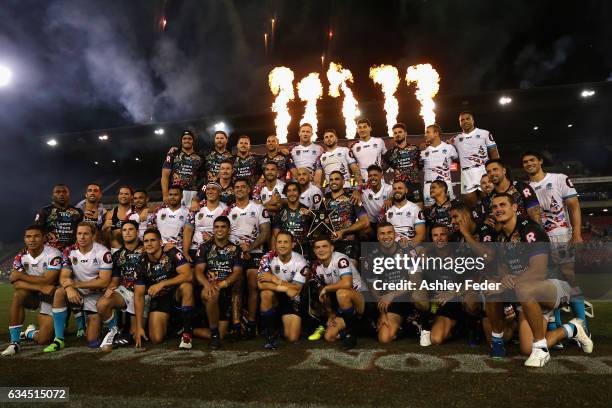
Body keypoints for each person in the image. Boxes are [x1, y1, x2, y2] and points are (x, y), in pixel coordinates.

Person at [484, 193, 592, 367]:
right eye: (494, 207)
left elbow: (539, 270)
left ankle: (541, 350)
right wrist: (504, 278)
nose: (498, 209)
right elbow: (503, 266)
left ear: (514, 208)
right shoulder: (501, 236)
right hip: (525, 290)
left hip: (551, 284)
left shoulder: (529, 229)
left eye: (502, 205)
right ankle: (572, 329)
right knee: (526, 348)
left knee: (524, 289)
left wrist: (511, 282)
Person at [522, 151, 588, 333]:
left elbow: (574, 206)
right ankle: (554, 326)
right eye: (525, 162)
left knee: (568, 275)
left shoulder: (560, 178)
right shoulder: (525, 188)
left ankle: (582, 323)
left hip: (561, 235)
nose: (529, 164)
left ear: (540, 161)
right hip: (541, 240)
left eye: (532, 160)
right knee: (549, 280)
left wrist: (576, 234)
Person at [44, 222, 113, 352]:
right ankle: (59, 339)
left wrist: (75, 284)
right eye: (79, 233)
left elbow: (103, 282)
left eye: (86, 234)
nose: (82, 237)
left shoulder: (103, 252)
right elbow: (64, 277)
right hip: (77, 291)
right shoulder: (69, 251)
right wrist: (69, 289)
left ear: (93, 236)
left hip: (96, 294)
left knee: (92, 341)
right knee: (60, 292)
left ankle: (98, 323)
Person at [362, 222, 429, 345]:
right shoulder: (371, 258)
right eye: (382, 233)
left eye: (389, 232)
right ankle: (406, 325)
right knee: (384, 338)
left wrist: (393, 294)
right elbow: (374, 290)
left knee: (419, 296)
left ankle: (424, 323)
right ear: (377, 236)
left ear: (395, 234)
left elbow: (416, 282)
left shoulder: (408, 251)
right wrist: (382, 312)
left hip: (408, 295)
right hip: (389, 301)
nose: (386, 236)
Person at [2, 225, 61, 356]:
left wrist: (21, 276)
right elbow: (16, 284)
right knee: (18, 295)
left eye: (36, 236)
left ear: (44, 238)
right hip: (34, 294)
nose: (32, 240)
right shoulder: (20, 256)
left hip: (51, 297)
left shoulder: (53, 254)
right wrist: (40, 287)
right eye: (28, 236)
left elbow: (48, 280)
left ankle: (29, 333)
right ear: (24, 239)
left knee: (44, 339)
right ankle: (15, 342)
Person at [133, 228, 194, 349]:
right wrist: (139, 327)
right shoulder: (141, 262)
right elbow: (138, 295)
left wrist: (163, 283)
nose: (149, 244)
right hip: (160, 298)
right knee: (156, 339)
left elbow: (189, 275)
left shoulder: (172, 252)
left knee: (187, 286)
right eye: (146, 241)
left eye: (152, 240)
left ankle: (187, 333)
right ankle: (176, 326)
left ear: (160, 242)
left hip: (176, 293)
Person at [227, 178, 271, 338]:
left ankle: (252, 323)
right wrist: (239, 249)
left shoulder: (259, 208)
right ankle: (237, 325)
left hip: (255, 252)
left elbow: (265, 232)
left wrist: (250, 247)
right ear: (233, 190)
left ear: (249, 189)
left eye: (243, 187)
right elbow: (222, 233)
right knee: (236, 286)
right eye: (236, 187)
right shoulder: (227, 210)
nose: (239, 189)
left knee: (253, 285)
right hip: (234, 253)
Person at [194, 216, 243, 349]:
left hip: (227, 291)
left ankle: (190, 330)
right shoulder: (204, 247)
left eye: (223, 227)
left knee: (223, 334)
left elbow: (237, 272)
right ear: (213, 229)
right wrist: (207, 285)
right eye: (216, 227)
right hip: (208, 288)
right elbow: (198, 271)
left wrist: (223, 284)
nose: (219, 230)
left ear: (229, 230)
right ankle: (214, 335)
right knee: (212, 293)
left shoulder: (236, 249)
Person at [96, 220, 145, 350]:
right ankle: (114, 331)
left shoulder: (147, 248)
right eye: (124, 230)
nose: (127, 232)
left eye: (131, 229)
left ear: (137, 232)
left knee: (135, 335)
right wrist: (110, 288)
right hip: (126, 290)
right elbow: (116, 279)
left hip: (145, 293)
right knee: (102, 304)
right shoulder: (118, 255)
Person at [257, 231, 309, 349]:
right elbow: (261, 285)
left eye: (286, 242)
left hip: (293, 299)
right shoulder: (268, 257)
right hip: (276, 295)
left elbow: (296, 290)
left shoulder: (300, 262)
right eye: (279, 242)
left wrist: (275, 279)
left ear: (293, 244)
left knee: (292, 337)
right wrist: (283, 288)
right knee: (265, 294)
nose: (282, 245)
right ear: (275, 244)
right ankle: (270, 335)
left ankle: (279, 326)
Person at [312, 236, 364, 349]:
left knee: (342, 292)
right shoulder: (316, 267)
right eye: (317, 247)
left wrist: (326, 288)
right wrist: (330, 313)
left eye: (324, 246)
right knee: (329, 337)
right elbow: (322, 293)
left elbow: (347, 284)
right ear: (314, 251)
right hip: (343, 305)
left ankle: (351, 335)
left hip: (360, 299)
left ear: (332, 248)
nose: (321, 250)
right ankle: (356, 328)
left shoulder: (341, 259)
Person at [449, 111, 499, 207]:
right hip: (466, 173)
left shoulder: (484, 133)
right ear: (459, 123)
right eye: (462, 120)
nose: (465, 121)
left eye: (468, 119)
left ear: (473, 120)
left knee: (488, 201)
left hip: (483, 170)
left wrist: (496, 169)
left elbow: (494, 152)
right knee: (471, 205)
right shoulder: (455, 139)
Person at [322, 171, 369, 262]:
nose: (333, 182)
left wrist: (343, 231)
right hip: (329, 244)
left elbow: (365, 222)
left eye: (337, 179)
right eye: (331, 179)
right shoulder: (325, 198)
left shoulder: (352, 197)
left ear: (343, 182)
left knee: (350, 271)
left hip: (349, 243)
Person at [485, 158, 541, 224]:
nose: (492, 173)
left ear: (504, 171)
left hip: (527, 231)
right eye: (489, 172)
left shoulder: (521, 187)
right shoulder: (489, 198)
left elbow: (535, 215)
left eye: (495, 169)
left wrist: (538, 232)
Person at [147, 186, 194, 262]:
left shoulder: (188, 213)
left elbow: (187, 234)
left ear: (181, 196)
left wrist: (185, 253)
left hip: (178, 250)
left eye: (176, 195)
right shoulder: (158, 211)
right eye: (170, 194)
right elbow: (150, 231)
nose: (172, 197)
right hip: (159, 249)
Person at [161, 130, 204, 207]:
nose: (187, 140)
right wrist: (165, 195)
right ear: (181, 140)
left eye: (189, 138)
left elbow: (203, 178)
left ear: (193, 141)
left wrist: (199, 195)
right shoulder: (172, 154)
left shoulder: (200, 157)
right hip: (175, 192)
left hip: (193, 193)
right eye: (184, 138)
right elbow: (165, 176)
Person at [34, 184, 84, 250]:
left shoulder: (78, 212)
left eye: (64, 192)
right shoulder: (45, 211)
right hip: (50, 250)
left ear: (69, 195)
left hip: (73, 250)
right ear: (52, 196)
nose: (61, 194)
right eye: (58, 192)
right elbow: (36, 231)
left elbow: (83, 230)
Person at [383, 123, 423, 205]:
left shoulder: (415, 149)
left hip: (414, 187)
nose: (397, 134)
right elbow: (381, 170)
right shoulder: (390, 153)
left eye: (400, 132)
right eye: (395, 133)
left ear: (405, 133)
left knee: (419, 214)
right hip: (398, 189)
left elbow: (421, 165)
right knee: (400, 214)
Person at [420, 124, 458, 207]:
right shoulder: (423, 151)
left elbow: (457, 161)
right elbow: (420, 166)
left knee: (448, 211)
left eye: (428, 132)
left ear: (436, 133)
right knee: (429, 212)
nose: (425, 135)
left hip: (444, 184)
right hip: (429, 186)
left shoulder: (449, 148)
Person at [272, 181, 313, 256]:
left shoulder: (307, 211)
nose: (291, 193)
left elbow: (313, 233)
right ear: (285, 194)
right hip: (285, 250)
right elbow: (276, 235)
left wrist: (311, 215)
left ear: (299, 192)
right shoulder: (280, 212)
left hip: (304, 250)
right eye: (289, 191)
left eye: (294, 190)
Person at [189, 182, 228, 260]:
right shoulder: (197, 207)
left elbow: (228, 231)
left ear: (219, 192)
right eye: (208, 189)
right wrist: (186, 252)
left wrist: (212, 239)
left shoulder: (226, 209)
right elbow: (187, 230)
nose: (210, 191)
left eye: (213, 189)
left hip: (215, 248)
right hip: (195, 248)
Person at [384, 180, 426, 245]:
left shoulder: (415, 209)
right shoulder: (387, 210)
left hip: (410, 245)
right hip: (391, 247)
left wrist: (408, 246)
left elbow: (421, 235)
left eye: (400, 188)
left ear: (406, 190)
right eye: (394, 189)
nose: (397, 190)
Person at [361, 165, 392, 234]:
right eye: (370, 176)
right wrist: (356, 191)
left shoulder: (389, 189)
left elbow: (397, 195)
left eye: (375, 175)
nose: (372, 178)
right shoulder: (364, 191)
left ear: (381, 175)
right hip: (371, 224)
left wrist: (391, 198)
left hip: (386, 223)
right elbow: (356, 189)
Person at [103, 186, 135, 250]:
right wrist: (104, 228)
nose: (123, 196)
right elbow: (105, 237)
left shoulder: (137, 211)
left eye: (126, 194)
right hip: (116, 251)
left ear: (132, 196)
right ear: (118, 196)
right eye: (121, 194)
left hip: (133, 251)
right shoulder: (111, 214)